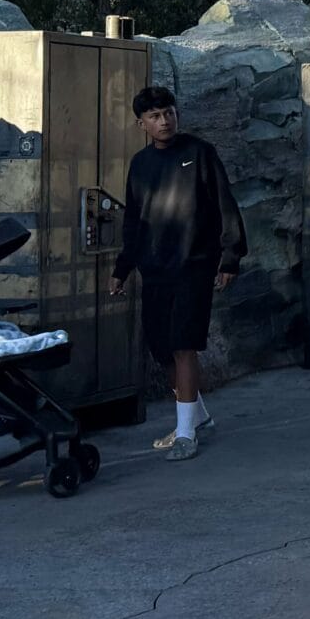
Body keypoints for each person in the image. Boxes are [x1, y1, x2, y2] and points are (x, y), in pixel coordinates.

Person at [107, 85, 245, 460]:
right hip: (154, 269)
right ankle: (196, 415)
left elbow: (225, 206)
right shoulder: (140, 164)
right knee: (162, 348)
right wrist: (123, 269)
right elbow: (134, 220)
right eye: (154, 116)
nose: (164, 121)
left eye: (169, 112)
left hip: (194, 266)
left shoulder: (200, 153)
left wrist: (230, 258)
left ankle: (185, 434)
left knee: (184, 343)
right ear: (141, 124)